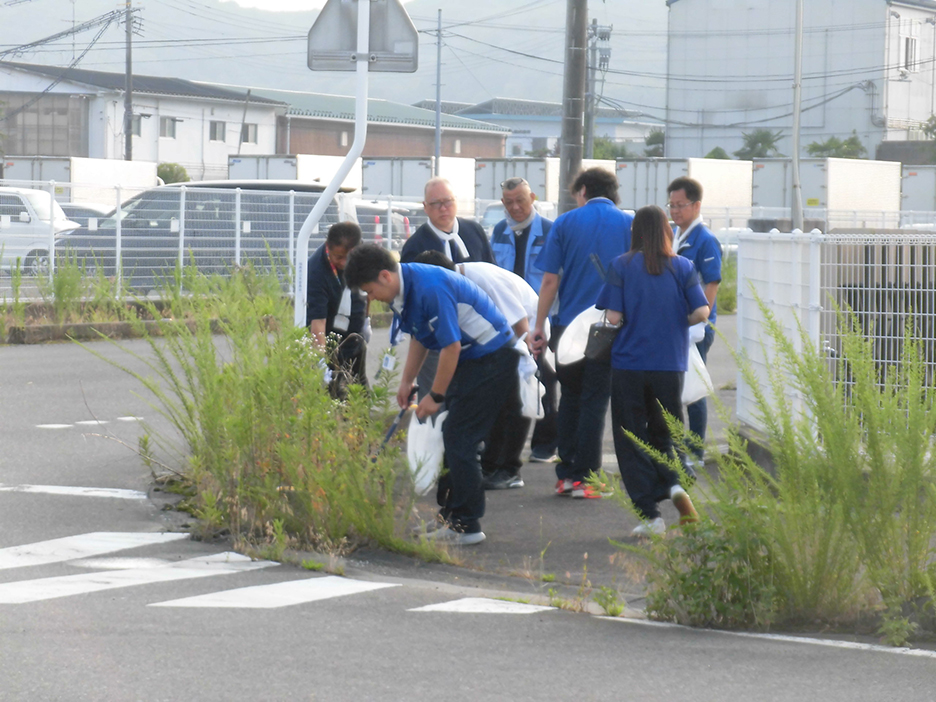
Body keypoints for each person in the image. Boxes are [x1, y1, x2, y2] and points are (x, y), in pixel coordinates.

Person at [344, 244, 521, 546]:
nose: (370, 299)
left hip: (493, 358)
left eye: (369, 291)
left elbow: (449, 346)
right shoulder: (404, 289)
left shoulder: (429, 287)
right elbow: (420, 337)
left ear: (384, 276)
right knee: (448, 434)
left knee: (458, 436)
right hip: (471, 359)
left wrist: (435, 396)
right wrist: (406, 381)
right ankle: (450, 517)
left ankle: (467, 524)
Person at [595, 205, 709, 536]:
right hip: (669, 365)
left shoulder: (622, 265)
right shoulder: (683, 266)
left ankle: (650, 515)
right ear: (666, 230)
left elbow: (613, 318)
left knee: (631, 436)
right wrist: (677, 322)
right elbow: (702, 311)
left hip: (630, 364)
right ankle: (674, 485)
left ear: (635, 232)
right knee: (665, 432)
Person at [531, 167, 632, 499]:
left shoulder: (565, 222)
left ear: (583, 190)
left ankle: (566, 474)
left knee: (570, 398)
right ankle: (587, 479)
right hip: (608, 325)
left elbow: (549, 280)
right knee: (595, 400)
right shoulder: (628, 223)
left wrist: (539, 326)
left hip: (567, 325)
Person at [414, 250, 538, 491]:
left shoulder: (484, 281)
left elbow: (520, 326)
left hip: (525, 337)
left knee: (513, 404)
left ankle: (508, 469)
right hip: (488, 342)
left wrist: (523, 364)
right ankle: (489, 464)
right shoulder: (450, 281)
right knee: (487, 404)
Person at [399, 177, 495, 403]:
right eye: (435, 203)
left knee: (474, 398)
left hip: (477, 332)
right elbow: (412, 303)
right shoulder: (415, 246)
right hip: (436, 337)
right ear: (425, 207)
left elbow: (491, 274)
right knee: (436, 398)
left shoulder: (473, 230)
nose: (443, 208)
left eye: (448, 201)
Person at [490, 176, 558, 463]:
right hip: (508, 320)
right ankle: (507, 445)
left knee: (545, 378)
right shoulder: (499, 232)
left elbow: (555, 279)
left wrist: (543, 320)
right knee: (510, 381)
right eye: (508, 202)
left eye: (520, 200)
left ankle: (544, 445)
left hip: (541, 317)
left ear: (533, 199)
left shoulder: (550, 231)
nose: (515, 207)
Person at [666, 177, 722, 466]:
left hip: (697, 327)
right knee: (677, 386)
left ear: (696, 205)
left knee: (695, 388)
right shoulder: (676, 234)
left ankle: (696, 451)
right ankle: (678, 447)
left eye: (680, 205)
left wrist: (697, 319)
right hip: (679, 324)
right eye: (672, 205)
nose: (675, 211)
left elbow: (711, 285)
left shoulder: (705, 239)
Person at [306, 221, 368, 397]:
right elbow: (318, 321)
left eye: (349, 257)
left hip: (355, 334)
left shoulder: (362, 256)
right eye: (338, 257)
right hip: (329, 339)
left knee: (359, 389)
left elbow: (369, 290)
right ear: (328, 246)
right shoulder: (316, 271)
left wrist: (367, 320)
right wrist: (321, 360)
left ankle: (362, 421)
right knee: (332, 393)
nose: (344, 262)